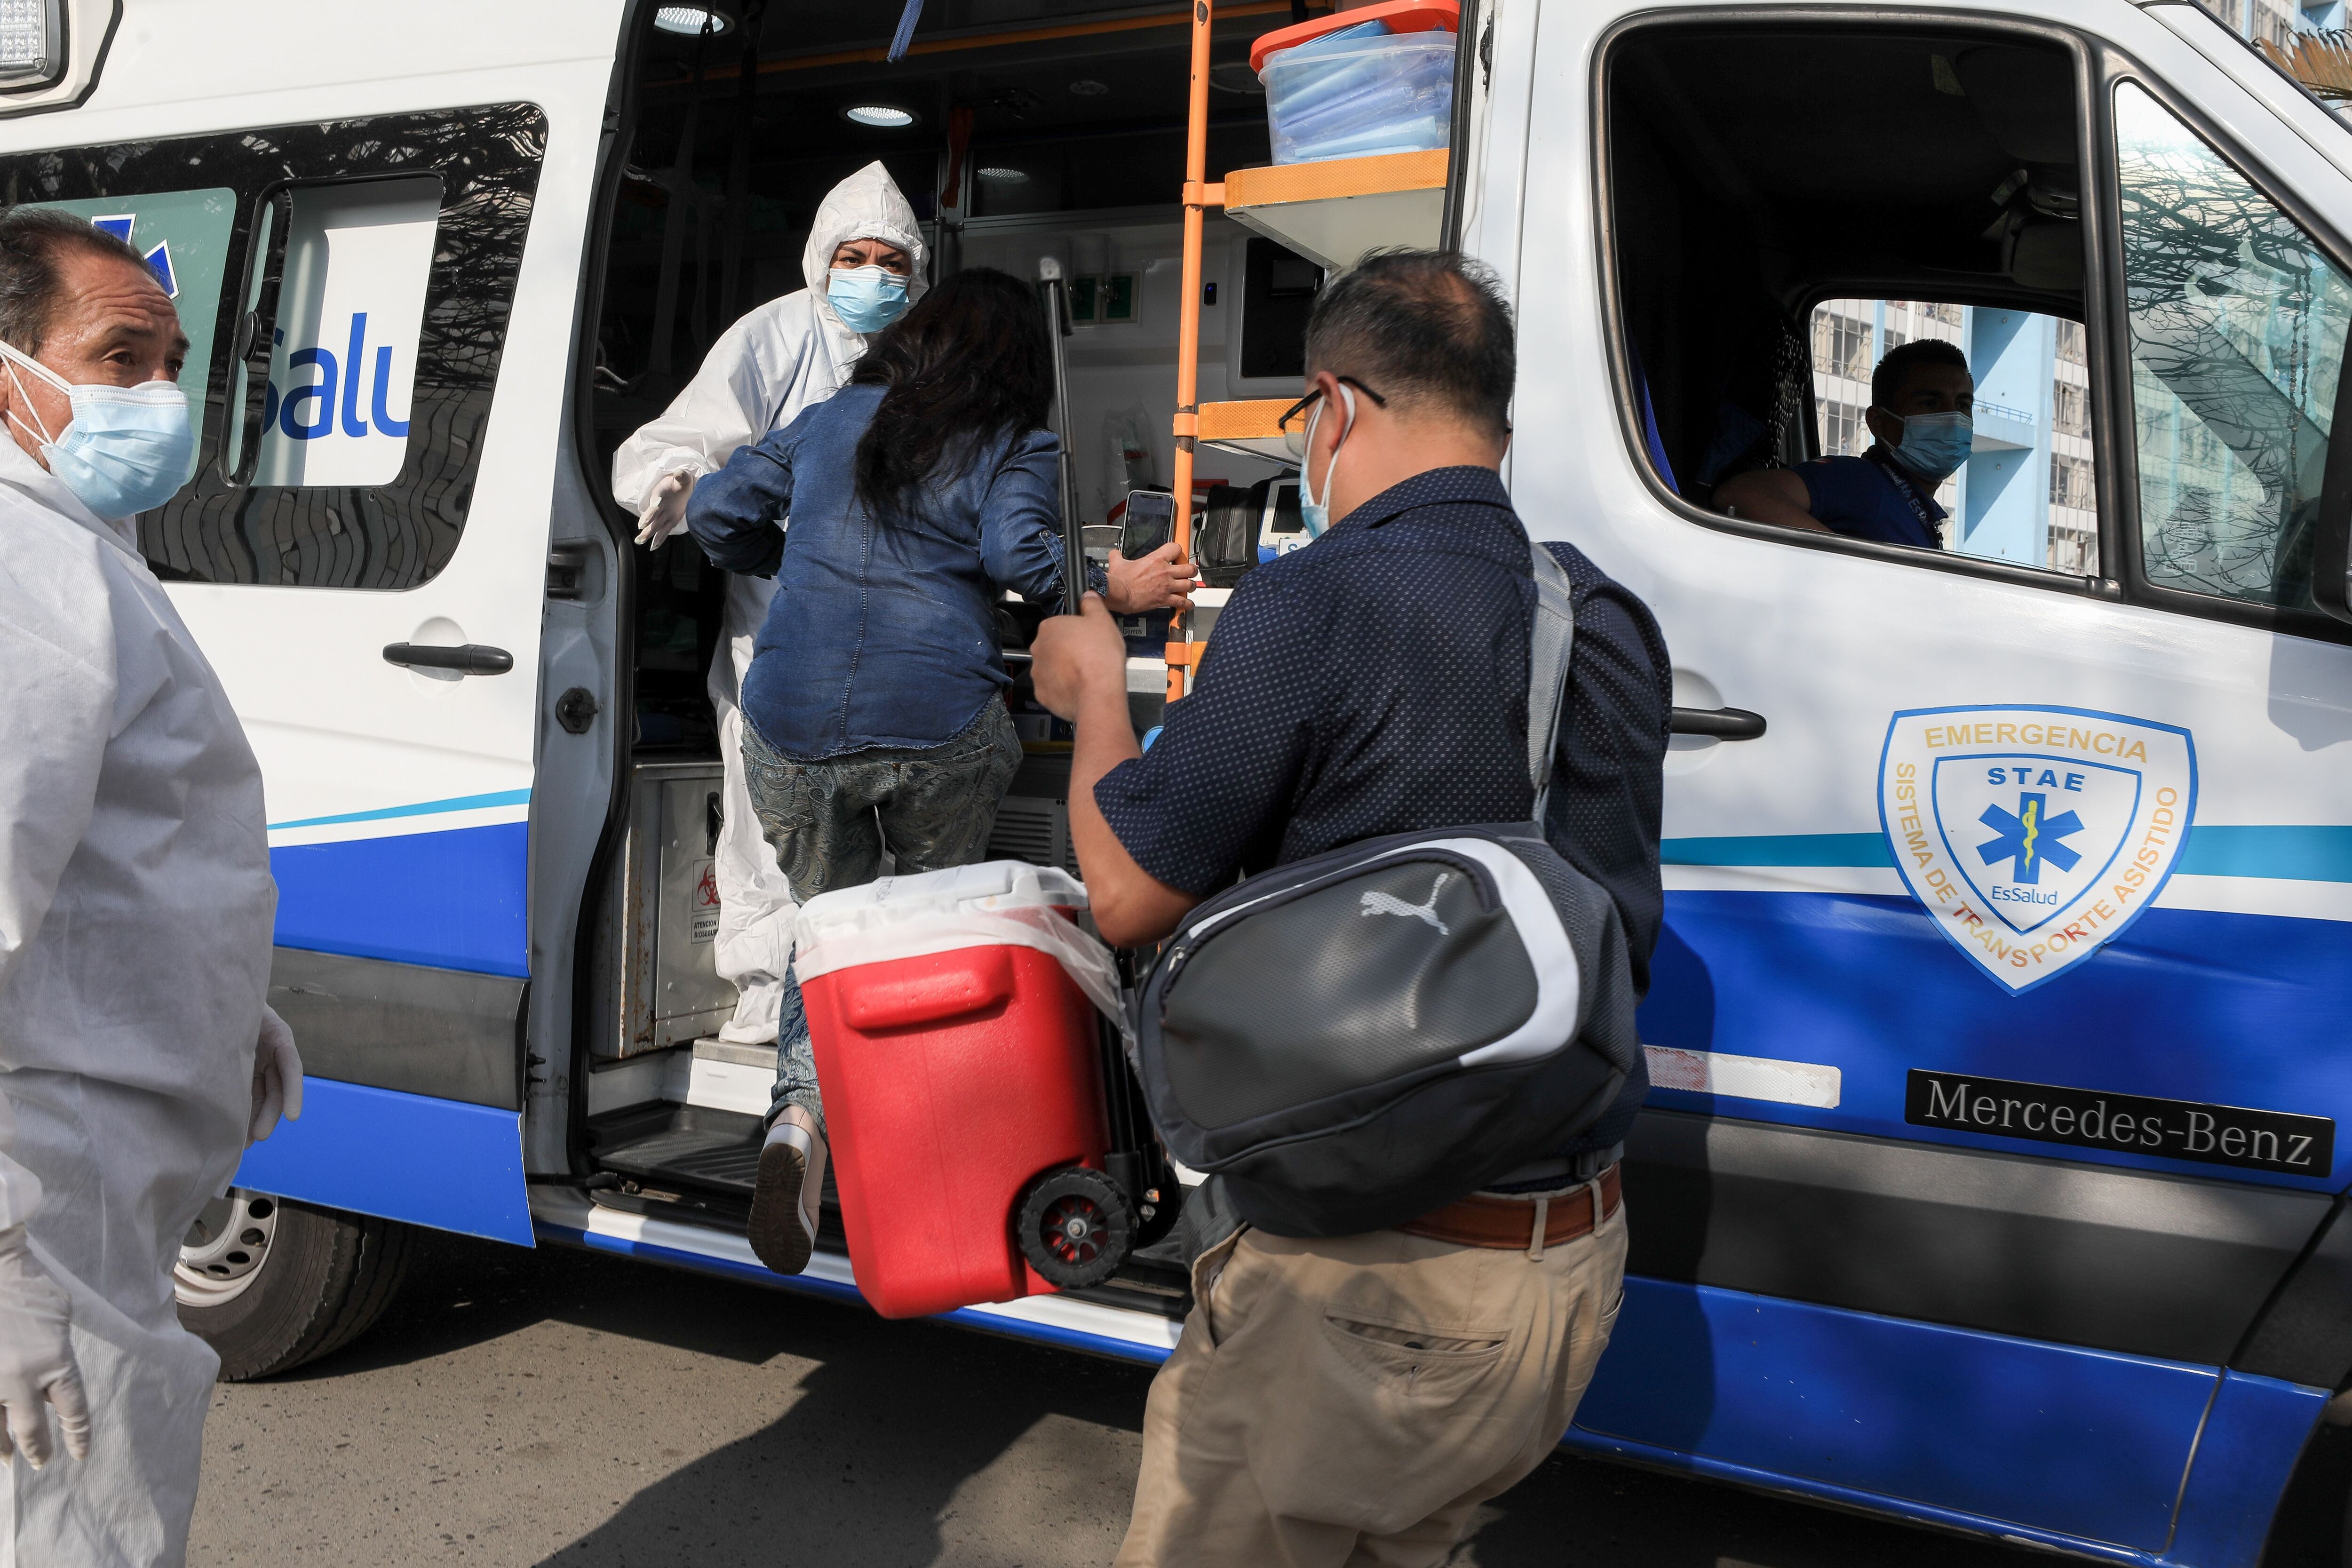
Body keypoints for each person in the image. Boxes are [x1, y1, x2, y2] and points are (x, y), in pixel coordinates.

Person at [1029, 250, 1672, 1568]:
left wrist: (1097, 689)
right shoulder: (1601, 617)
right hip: (1562, 1270)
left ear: (1333, 404)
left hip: (1369, 1288)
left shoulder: (1312, 601)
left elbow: (1129, 890)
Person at [687, 266, 1194, 1276]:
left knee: (826, 926)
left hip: (790, 727)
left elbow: (714, 513)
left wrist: (794, 566)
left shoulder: (834, 418)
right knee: (913, 938)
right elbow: (1021, 557)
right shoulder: (1012, 438)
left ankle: (798, 1124)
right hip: (936, 729)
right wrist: (1119, 585)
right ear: (1014, 360)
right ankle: (923, 1144)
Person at [0, 207, 301, 1564]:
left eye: (175, 361)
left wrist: (224, 1002)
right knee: (75, 1524)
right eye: (122, 355)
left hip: (87, 1154)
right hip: (38, 1175)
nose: (161, 396)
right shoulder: (22, 567)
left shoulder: (70, 539)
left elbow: (114, 841)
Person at [611, 161, 930, 1051]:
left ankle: (863, 990)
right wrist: (674, 484)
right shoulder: (776, 334)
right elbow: (677, 435)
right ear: (820, 259)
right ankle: (766, 986)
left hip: (897, 624)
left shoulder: (929, 356)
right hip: (779, 620)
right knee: (765, 808)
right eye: (854, 255)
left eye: (890, 260)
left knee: (884, 807)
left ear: (917, 271)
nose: (871, 274)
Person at [1713, 337, 1972, 548]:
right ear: (1878, 422)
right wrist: (1848, 567)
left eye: (1963, 405)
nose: (1953, 419)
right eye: (1930, 403)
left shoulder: (1912, 506)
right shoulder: (1864, 482)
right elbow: (1741, 494)